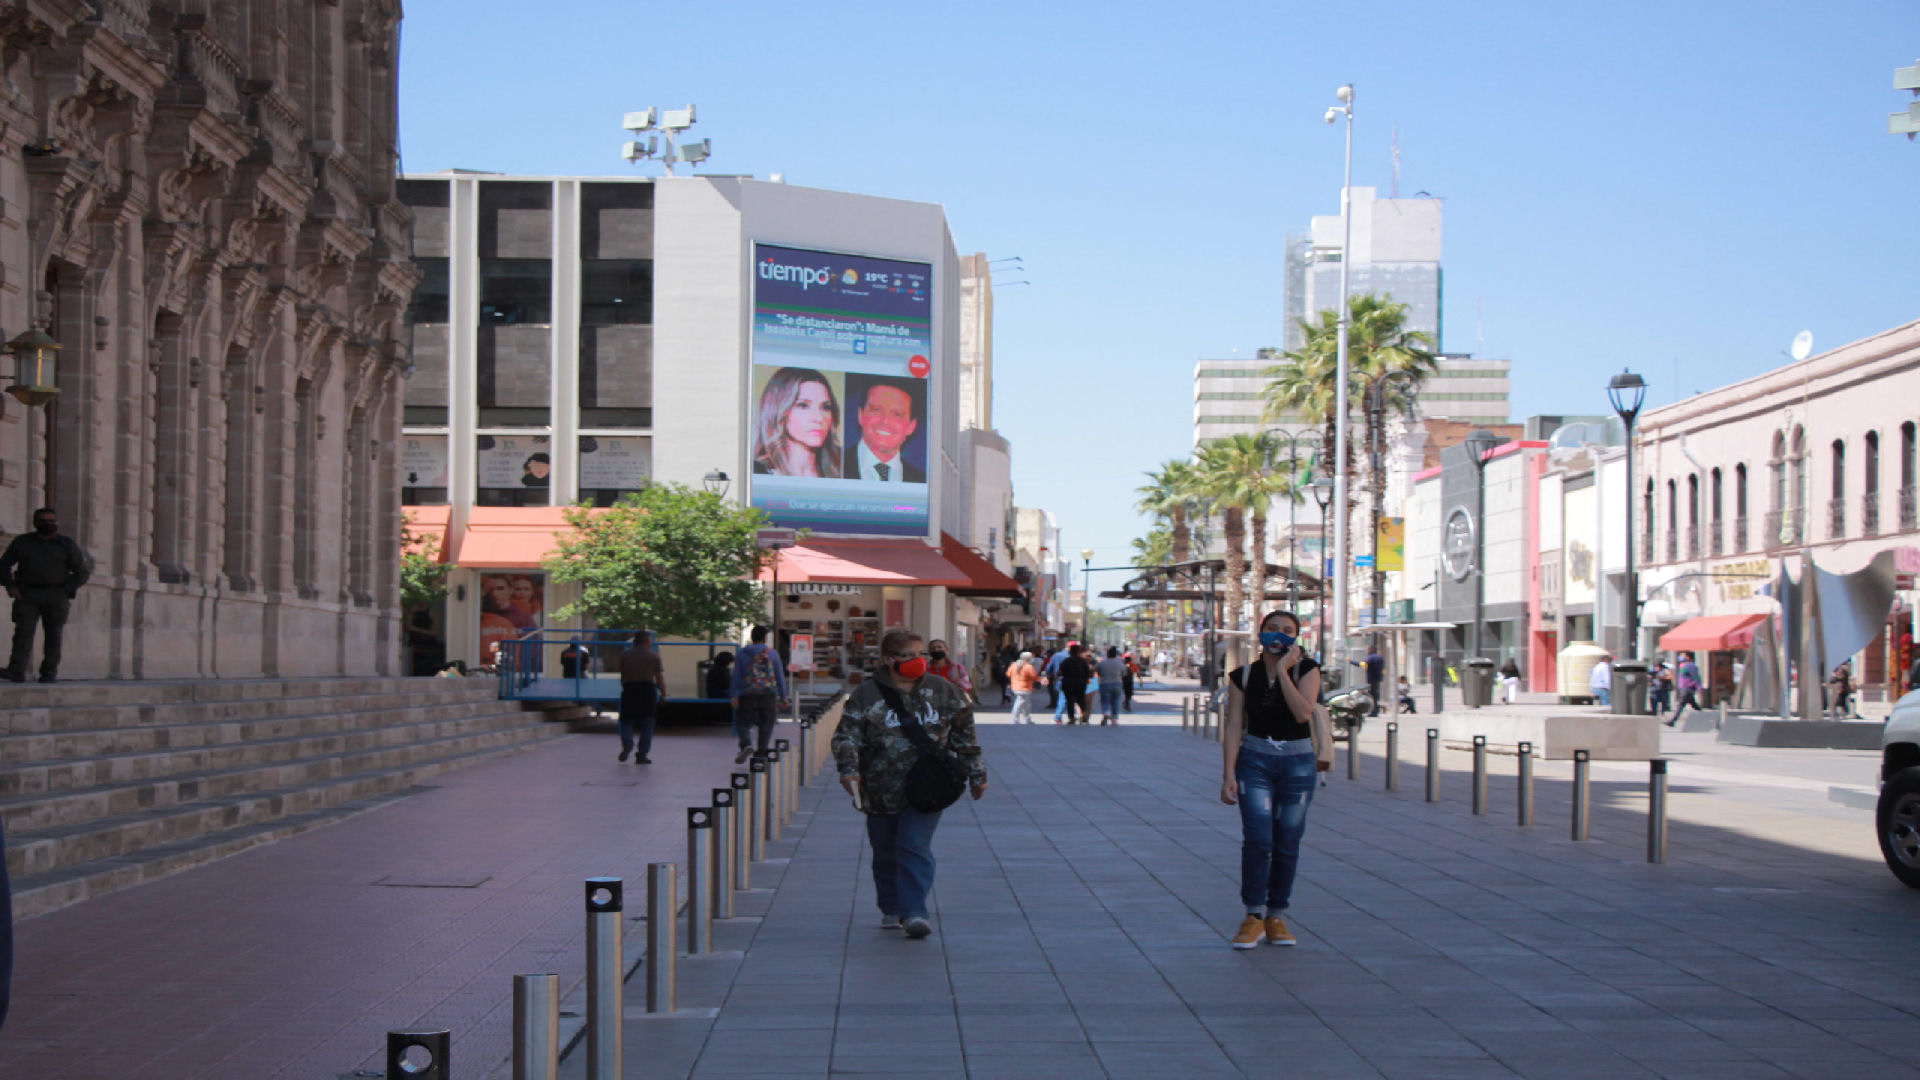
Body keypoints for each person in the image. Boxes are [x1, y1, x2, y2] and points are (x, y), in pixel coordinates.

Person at [834, 628, 986, 940]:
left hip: (928, 786)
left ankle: (914, 911)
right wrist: (849, 771)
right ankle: (891, 906)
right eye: (909, 655)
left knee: (914, 845)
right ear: (890, 660)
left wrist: (977, 774)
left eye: (921, 654)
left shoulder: (943, 690)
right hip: (879, 786)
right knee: (885, 848)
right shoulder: (867, 693)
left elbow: (965, 736)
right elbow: (847, 734)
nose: (918, 661)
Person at [1219, 609, 1332, 949]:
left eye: (1286, 630)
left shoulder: (1307, 670)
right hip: (1255, 762)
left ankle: (1277, 914)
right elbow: (1235, 724)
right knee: (1258, 838)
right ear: (1260, 633)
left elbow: (1303, 712)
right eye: (1272, 629)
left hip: (1298, 763)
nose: (1278, 635)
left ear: (1296, 638)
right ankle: (1253, 914)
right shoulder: (1242, 676)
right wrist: (1228, 773)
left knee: (1287, 841)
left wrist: (1284, 671)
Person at [0, 509, 90, 684]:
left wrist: (66, 589)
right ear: (35, 523)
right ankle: (16, 670)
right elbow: (3, 565)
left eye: (52, 521)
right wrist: (10, 586)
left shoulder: (66, 544)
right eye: (43, 520)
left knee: (53, 635)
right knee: (22, 634)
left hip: (56, 595)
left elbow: (81, 572)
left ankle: (49, 672)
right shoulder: (22, 542)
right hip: (27, 594)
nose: (48, 524)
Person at [752, 367, 842, 477]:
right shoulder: (755, 472)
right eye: (803, 405)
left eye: (826, 407)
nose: (819, 418)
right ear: (779, 410)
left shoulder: (841, 470)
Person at [842, 378, 925, 482]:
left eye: (897, 414)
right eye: (876, 410)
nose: (885, 421)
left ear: (911, 426)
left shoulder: (921, 480)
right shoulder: (832, 467)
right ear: (860, 415)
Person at [730, 625, 790, 764]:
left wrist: (734, 695)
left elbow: (736, 676)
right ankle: (760, 753)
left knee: (743, 722)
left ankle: (746, 744)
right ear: (765, 638)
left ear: (751, 637)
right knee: (766, 724)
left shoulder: (742, 653)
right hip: (767, 694)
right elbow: (779, 676)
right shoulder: (772, 653)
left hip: (747, 693)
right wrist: (783, 696)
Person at [616, 631, 662, 763]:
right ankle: (642, 754)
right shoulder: (653, 656)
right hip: (647, 690)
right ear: (647, 641)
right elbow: (659, 677)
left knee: (626, 720)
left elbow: (622, 674)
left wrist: (625, 687)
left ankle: (627, 741)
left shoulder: (625, 655)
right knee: (647, 722)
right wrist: (663, 694)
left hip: (629, 689)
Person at [1057, 644, 1091, 724]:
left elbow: (1060, 672)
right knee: (1080, 699)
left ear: (1070, 652)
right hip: (1080, 683)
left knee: (1070, 701)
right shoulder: (1082, 661)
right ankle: (1084, 715)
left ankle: (1071, 717)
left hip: (1068, 682)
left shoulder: (1067, 661)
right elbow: (1087, 673)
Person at [1667, 652, 1704, 726]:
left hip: (1687, 689)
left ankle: (1672, 721)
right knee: (1694, 706)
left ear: (1688, 657)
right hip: (1683, 689)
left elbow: (1696, 677)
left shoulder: (1691, 666)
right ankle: (1706, 716)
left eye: (1683, 655)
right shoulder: (1683, 666)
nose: (1681, 657)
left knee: (1681, 705)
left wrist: (1699, 688)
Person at [1096, 647, 1129, 724]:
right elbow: (1124, 674)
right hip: (1117, 683)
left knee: (1104, 700)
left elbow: (1098, 672)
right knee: (1116, 701)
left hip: (1104, 683)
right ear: (1115, 654)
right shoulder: (1120, 664)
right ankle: (1114, 718)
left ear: (1107, 654)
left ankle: (1106, 712)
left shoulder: (1102, 663)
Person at [1006, 651, 1039, 723]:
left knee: (1026, 704)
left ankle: (1027, 719)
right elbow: (1034, 677)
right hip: (1025, 688)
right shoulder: (1029, 667)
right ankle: (1015, 719)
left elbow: (1008, 674)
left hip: (1015, 687)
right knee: (1019, 703)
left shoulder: (1013, 665)